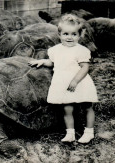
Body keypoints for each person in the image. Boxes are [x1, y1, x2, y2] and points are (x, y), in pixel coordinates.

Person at [28, 14, 98, 143]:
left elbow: (84, 67)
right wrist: (43, 61)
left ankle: (89, 132)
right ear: (59, 34)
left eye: (74, 34)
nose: (69, 37)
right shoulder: (55, 50)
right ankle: (70, 133)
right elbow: (54, 62)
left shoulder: (81, 50)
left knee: (87, 106)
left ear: (79, 35)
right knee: (67, 108)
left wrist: (75, 81)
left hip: (80, 82)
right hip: (64, 83)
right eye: (66, 34)